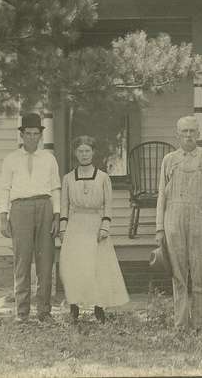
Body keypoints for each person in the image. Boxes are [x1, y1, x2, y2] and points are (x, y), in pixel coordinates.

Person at [155, 115, 202, 334]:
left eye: (192, 131)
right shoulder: (169, 160)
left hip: (200, 218)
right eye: (184, 131)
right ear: (178, 134)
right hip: (173, 219)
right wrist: (159, 228)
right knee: (179, 275)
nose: (188, 135)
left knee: (201, 274)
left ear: (198, 133)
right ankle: (181, 325)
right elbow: (161, 198)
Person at [57, 136, 129, 324]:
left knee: (98, 267)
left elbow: (108, 205)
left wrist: (105, 225)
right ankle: (74, 306)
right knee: (75, 267)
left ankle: (99, 307)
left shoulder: (103, 178)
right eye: (80, 151)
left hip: (96, 225)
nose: (84, 155)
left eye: (87, 151)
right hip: (75, 225)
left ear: (93, 153)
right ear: (75, 153)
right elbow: (64, 206)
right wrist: (63, 229)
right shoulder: (68, 178)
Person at [0, 113, 61, 322]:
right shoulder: (11, 159)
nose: (32, 138)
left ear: (41, 135)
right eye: (28, 134)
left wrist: (57, 216)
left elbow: (56, 188)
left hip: (45, 206)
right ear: (22, 135)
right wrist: (3, 217)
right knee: (22, 261)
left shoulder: (49, 158)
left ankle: (44, 311)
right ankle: (22, 312)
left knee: (45, 262)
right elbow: (4, 188)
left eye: (36, 134)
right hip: (20, 208)